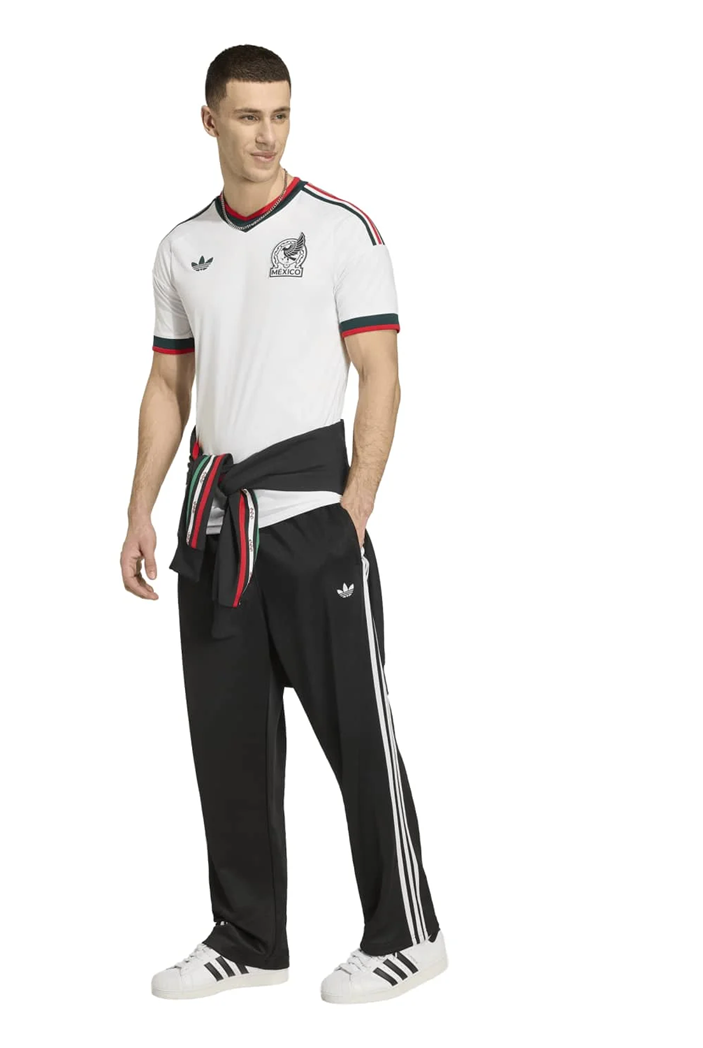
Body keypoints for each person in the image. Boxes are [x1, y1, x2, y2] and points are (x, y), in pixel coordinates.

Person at [121, 44, 448, 1005]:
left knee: (359, 736)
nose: (267, 136)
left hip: (312, 523)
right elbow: (168, 384)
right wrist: (139, 507)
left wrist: (356, 506)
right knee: (228, 744)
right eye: (248, 116)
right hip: (217, 529)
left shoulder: (343, 231)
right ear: (210, 120)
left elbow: (381, 374)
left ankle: (407, 932)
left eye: (281, 115)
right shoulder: (182, 247)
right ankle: (250, 936)